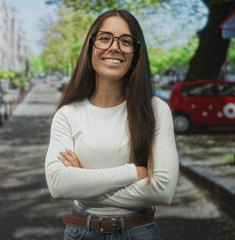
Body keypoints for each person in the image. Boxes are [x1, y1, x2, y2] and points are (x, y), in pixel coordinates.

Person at [44, 10, 179, 240]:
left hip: (139, 233)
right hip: (81, 233)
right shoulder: (68, 114)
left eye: (126, 41)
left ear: (136, 53)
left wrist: (83, 180)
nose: (114, 47)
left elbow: (163, 190)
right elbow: (58, 185)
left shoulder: (155, 110)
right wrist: (134, 172)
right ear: (90, 46)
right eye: (105, 38)